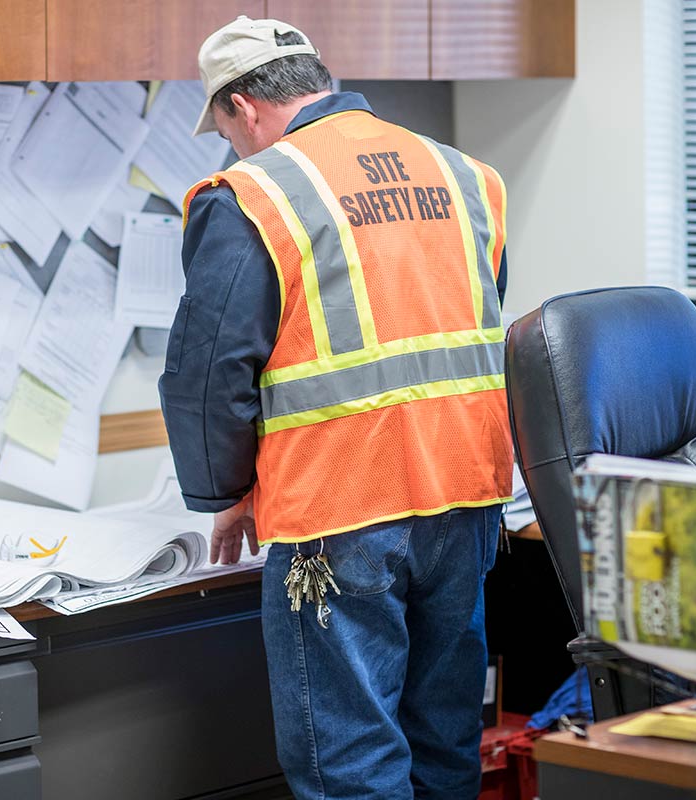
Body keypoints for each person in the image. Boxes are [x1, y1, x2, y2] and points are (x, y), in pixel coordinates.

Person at [158, 16, 512, 800]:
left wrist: (221, 494)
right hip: (469, 497)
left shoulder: (256, 193)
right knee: (445, 745)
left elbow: (209, 371)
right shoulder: (464, 175)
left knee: (349, 765)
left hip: (340, 510)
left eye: (223, 126)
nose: (231, 145)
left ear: (242, 106)